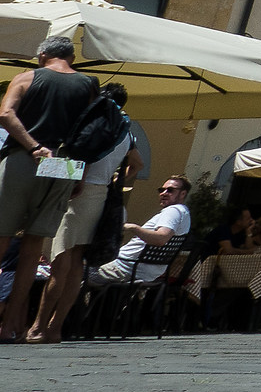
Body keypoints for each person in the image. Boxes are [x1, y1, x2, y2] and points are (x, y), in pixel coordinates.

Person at [1, 38, 104, 343]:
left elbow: (6, 115)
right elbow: (90, 130)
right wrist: (79, 174)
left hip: (22, 158)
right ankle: (10, 326)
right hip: (66, 164)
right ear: (71, 57)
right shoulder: (89, 84)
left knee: (2, 238)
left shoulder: (26, 77)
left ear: (42, 54)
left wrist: (34, 147)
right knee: (34, 247)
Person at [30, 78, 138, 343]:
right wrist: (116, 182)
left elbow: (81, 159)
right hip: (100, 195)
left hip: (77, 193)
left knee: (59, 265)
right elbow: (137, 164)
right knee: (76, 266)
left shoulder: (98, 120)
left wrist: (43, 166)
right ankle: (56, 328)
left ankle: (37, 327)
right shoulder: (126, 129)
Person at [85, 176, 193, 289]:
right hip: (140, 273)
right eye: (161, 190)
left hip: (122, 270)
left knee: (74, 271)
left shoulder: (173, 211)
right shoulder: (184, 214)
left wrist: (133, 227)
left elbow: (161, 238)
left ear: (183, 194)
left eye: (170, 190)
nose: (164, 193)